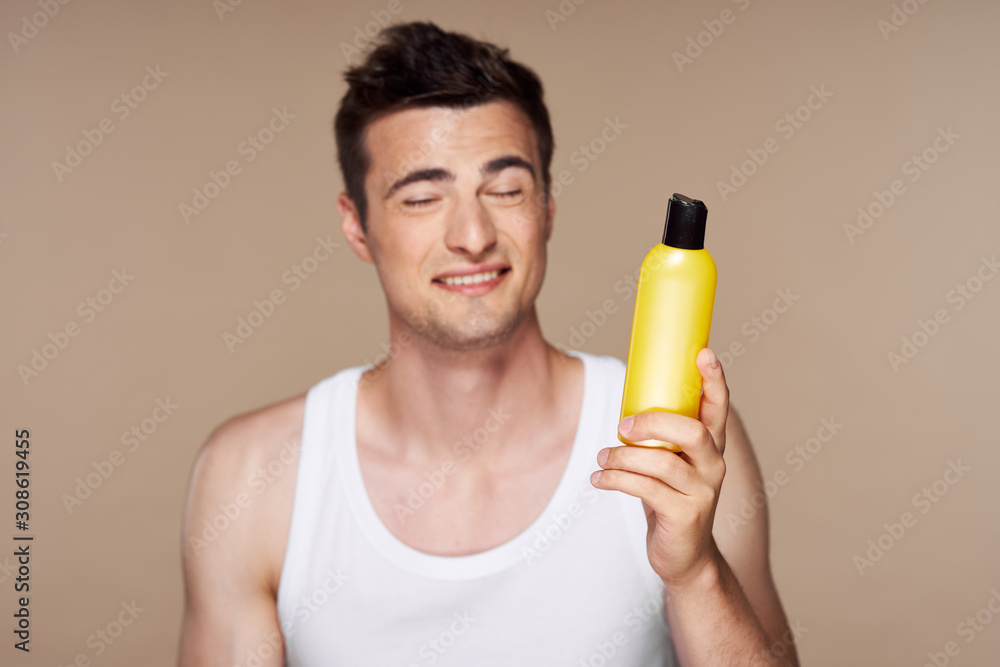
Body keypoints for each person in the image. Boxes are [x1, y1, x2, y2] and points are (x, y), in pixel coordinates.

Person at [177, 21, 800, 667]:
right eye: (421, 197)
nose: (472, 235)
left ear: (548, 206)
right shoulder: (253, 477)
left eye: (506, 190)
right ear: (356, 224)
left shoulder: (667, 442)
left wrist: (695, 571)